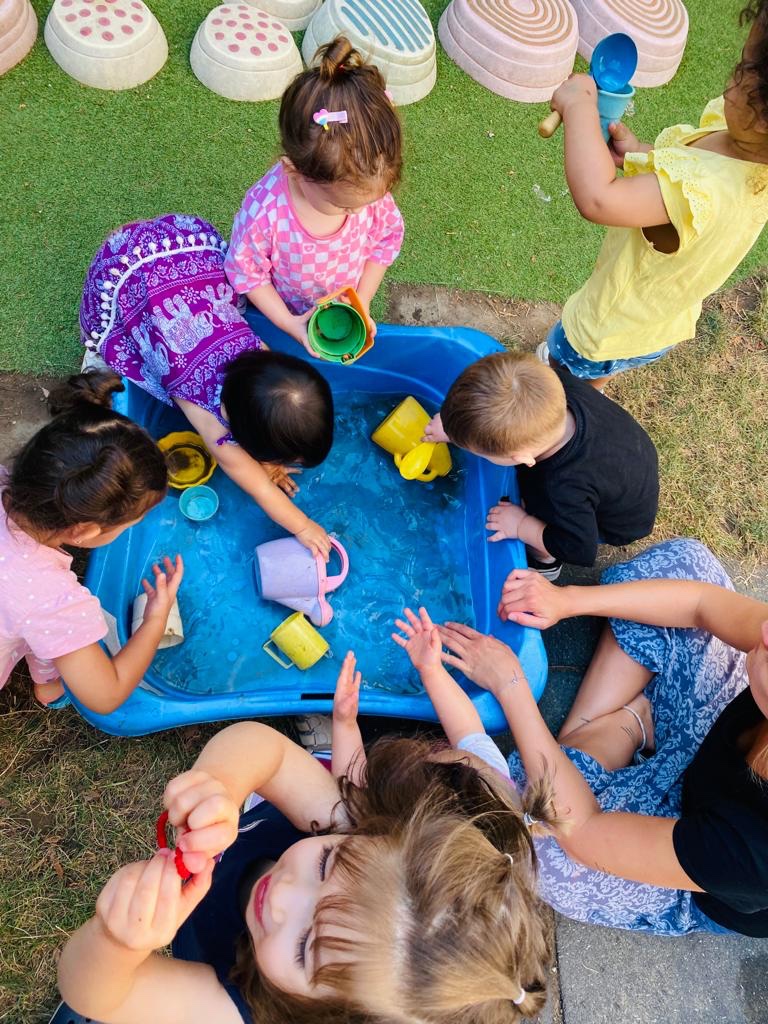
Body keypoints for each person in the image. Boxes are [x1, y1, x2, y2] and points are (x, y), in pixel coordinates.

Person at [57, 655, 556, 1024]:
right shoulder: (346, 823)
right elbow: (262, 749)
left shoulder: (248, 1011)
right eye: (325, 866)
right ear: (377, 833)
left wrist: (114, 945)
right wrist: (222, 787)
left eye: (305, 947)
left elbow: (103, 997)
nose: (282, 897)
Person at [436, 537, 768, 936]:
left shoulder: (754, 856)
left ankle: (613, 730)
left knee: (540, 842)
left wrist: (510, 685)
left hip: (692, 863)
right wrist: (566, 600)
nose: (765, 630)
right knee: (686, 564)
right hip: (709, 759)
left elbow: (584, 833)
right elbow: (700, 602)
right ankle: (605, 737)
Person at [538, 0, 768, 388]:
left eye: (744, 71)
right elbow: (687, 170)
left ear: (762, 117)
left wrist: (578, 107)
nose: (731, 78)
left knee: (555, 386)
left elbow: (598, 198)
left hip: (606, 325)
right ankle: (591, 396)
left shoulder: (707, 187)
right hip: (659, 323)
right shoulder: (746, 150)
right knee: (600, 376)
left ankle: (557, 396)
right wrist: (642, 154)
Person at [80, 213, 334, 559]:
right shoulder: (212, 424)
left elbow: (275, 410)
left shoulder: (263, 361)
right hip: (123, 274)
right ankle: (97, 353)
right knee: (118, 345)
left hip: (179, 255)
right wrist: (303, 526)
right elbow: (260, 489)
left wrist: (270, 459)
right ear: (243, 439)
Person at [1, 370, 183, 713]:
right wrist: (155, 620)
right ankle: (49, 687)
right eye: (131, 523)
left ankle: (48, 681)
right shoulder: (51, 600)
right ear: (84, 531)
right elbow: (105, 695)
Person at [225, 36, 404, 356]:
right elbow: (246, 272)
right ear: (294, 171)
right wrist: (289, 323)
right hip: (284, 307)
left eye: (367, 203)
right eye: (343, 205)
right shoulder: (266, 214)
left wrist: (362, 300)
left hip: (340, 303)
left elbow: (385, 240)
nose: (356, 213)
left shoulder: (364, 189)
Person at [426, 351, 658, 579]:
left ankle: (546, 563)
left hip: (614, 522)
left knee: (540, 515)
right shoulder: (555, 386)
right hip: (627, 458)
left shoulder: (558, 487)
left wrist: (522, 525)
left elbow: (579, 549)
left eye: (476, 451)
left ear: (521, 458)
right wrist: (456, 430)